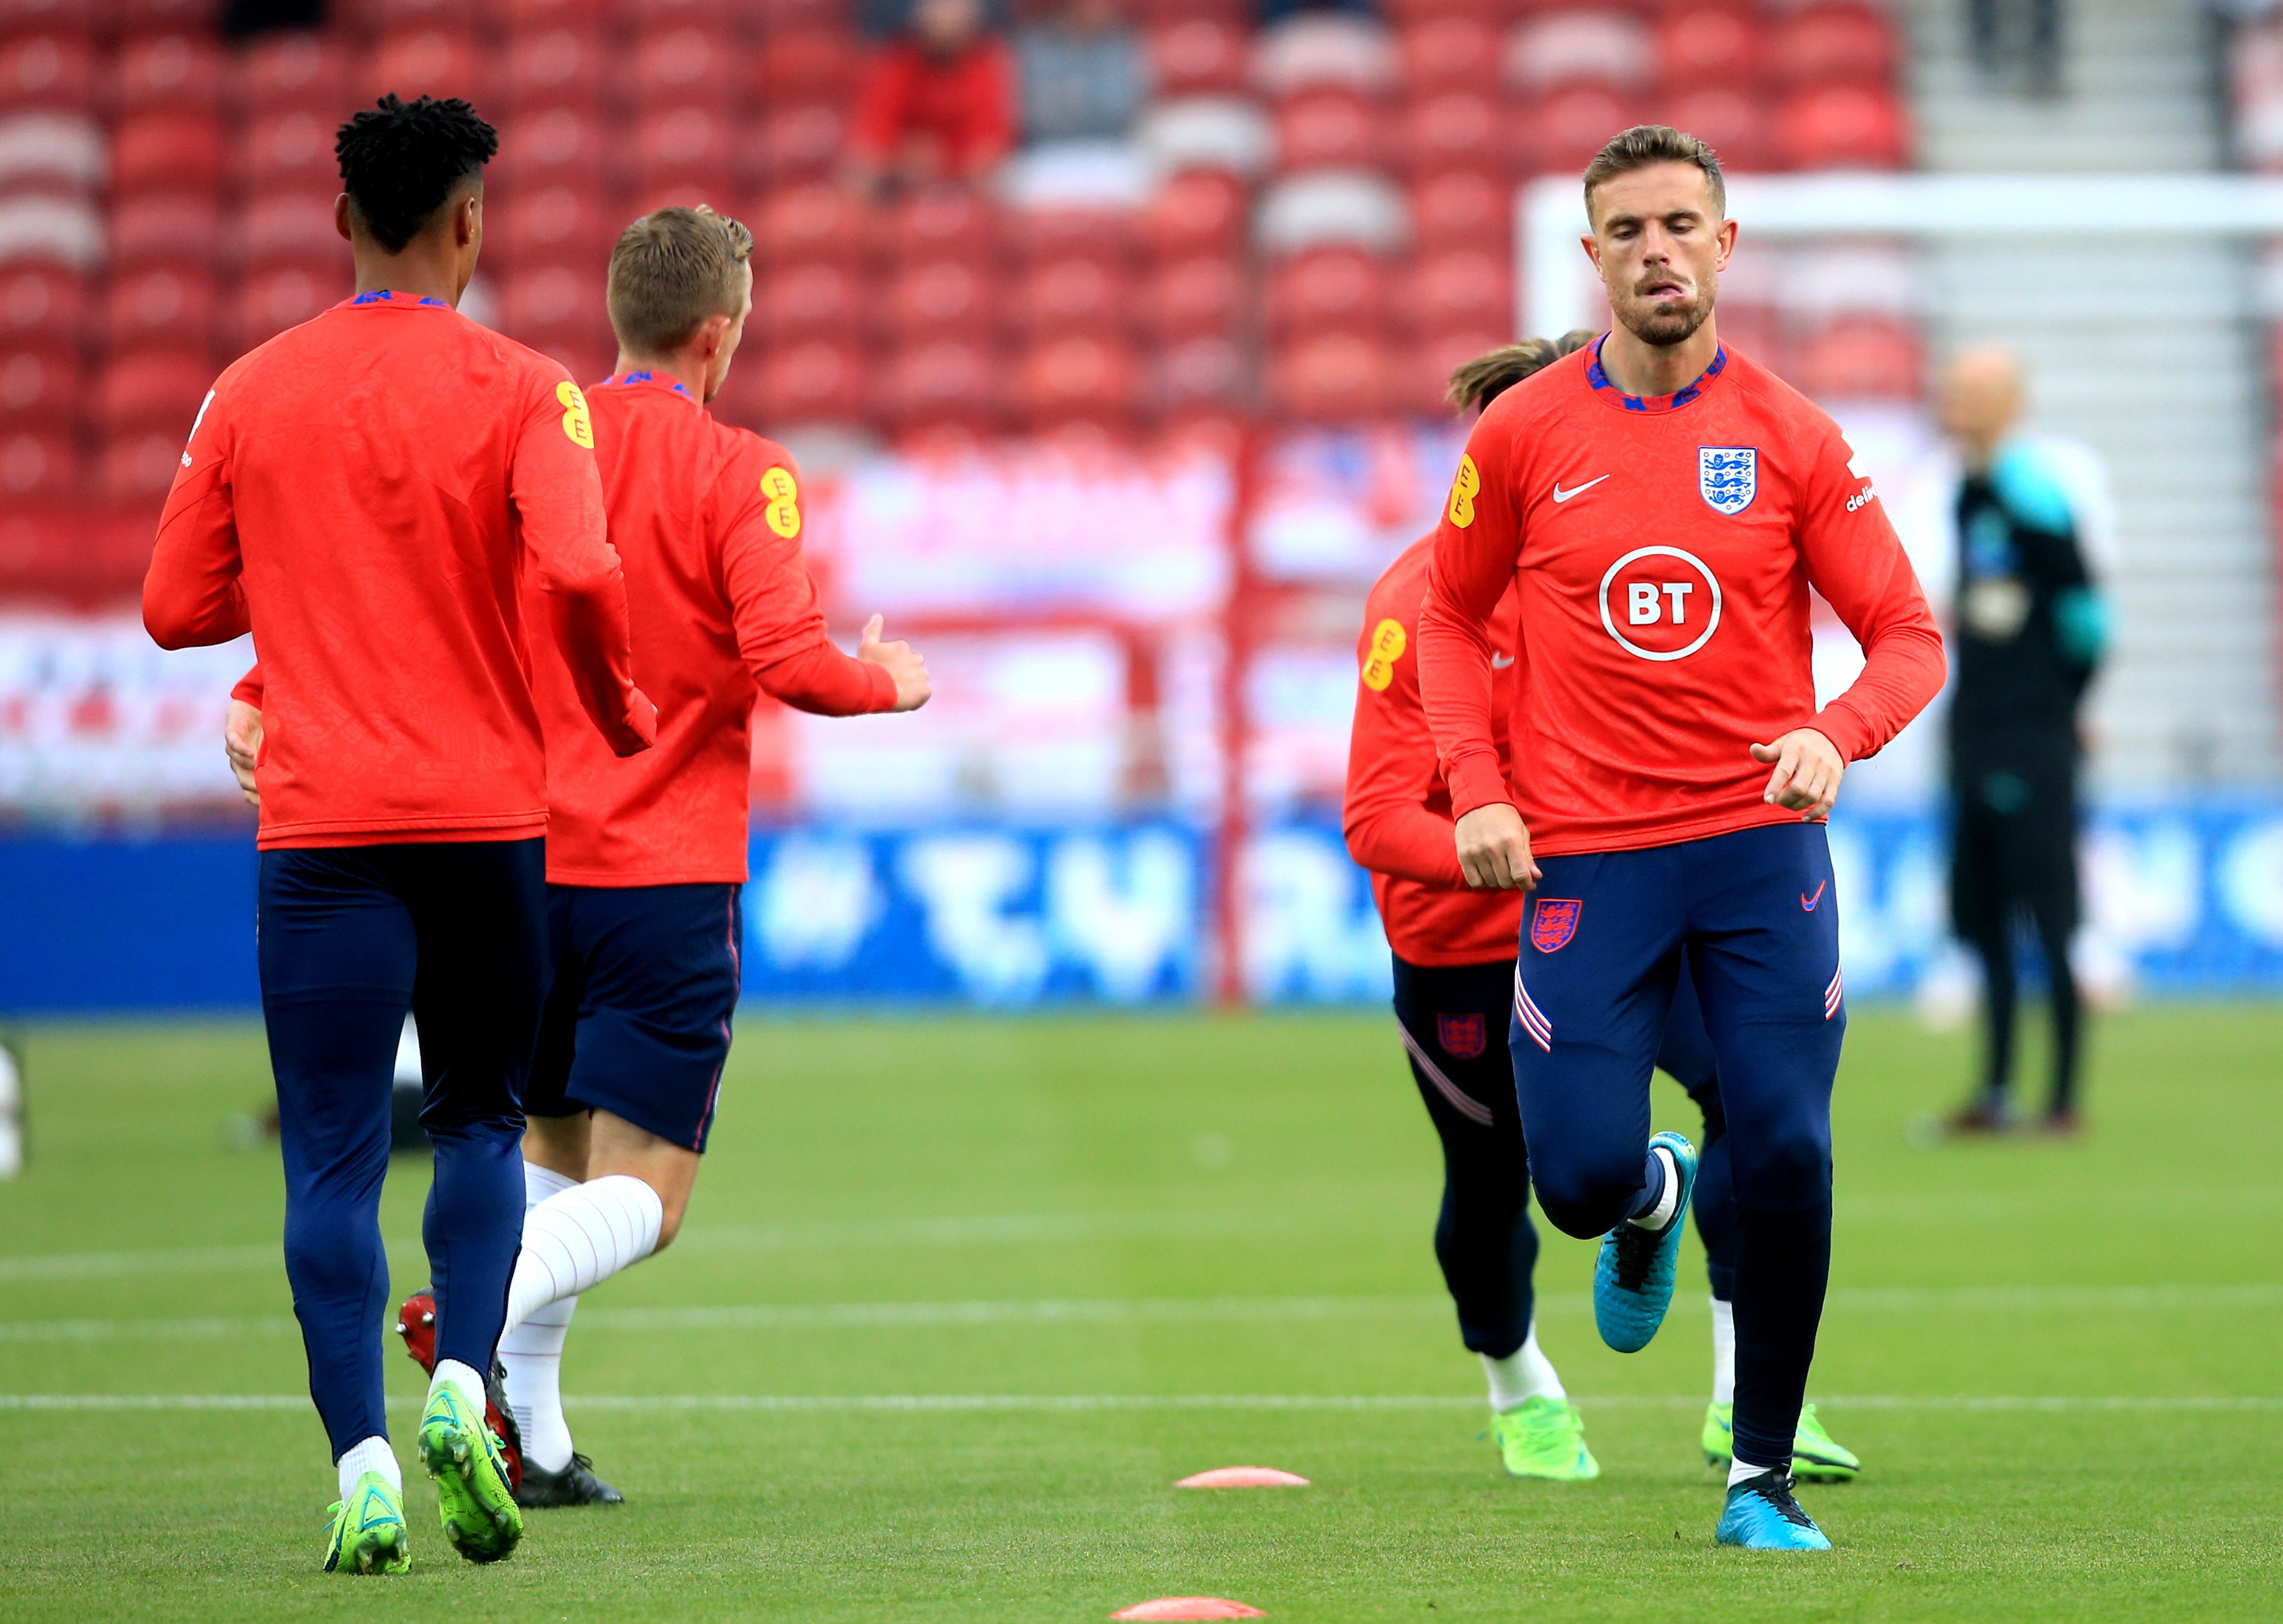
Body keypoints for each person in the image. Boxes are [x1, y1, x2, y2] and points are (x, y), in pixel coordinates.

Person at [229, 206, 934, 1506]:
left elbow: (415, 587)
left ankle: (536, 1443)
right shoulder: (739, 471)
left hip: (513, 863)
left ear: (619, 313)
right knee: (648, 1194)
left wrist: (268, 679)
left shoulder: (522, 431)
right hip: (660, 878)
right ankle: (469, 1317)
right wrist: (887, 682)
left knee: (541, 1149)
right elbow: (788, 660)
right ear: (718, 334)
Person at [146, 93, 656, 1575]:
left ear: (338, 222)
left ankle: (359, 1462)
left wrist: (310, 572)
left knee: (330, 1159)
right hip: (488, 826)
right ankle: (459, 1385)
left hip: (321, 837)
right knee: (488, 1124)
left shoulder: (247, 391)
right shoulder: (525, 388)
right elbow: (574, 562)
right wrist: (615, 708)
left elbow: (176, 608)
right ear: (469, 226)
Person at [1415, 125, 1943, 1550]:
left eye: (1680, 225)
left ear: (1725, 245)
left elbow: (1906, 636)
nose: (1656, 250)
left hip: (1758, 858)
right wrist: (1476, 785)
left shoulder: (1790, 437)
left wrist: (1838, 731)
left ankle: (1757, 1475)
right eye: (1629, 230)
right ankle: (1654, 1194)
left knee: (1785, 1147)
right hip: (1587, 860)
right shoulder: (1522, 434)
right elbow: (1448, 621)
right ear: (1591, 257)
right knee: (1576, 1181)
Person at [1347, 330, 1859, 1488]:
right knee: (1495, 1186)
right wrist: (1510, 853)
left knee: (1759, 1105)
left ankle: (1746, 1395)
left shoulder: (1636, 576)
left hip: (1623, 912)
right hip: (1471, 946)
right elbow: (1376, 818)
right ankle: (1520, 1386)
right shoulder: (1418, 606)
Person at [1935, 347, 2105, 1136]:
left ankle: (2063, 1099)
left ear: (2009, 402)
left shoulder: (2031, 493)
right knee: (1986, 918)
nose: (1953, 402)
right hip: (1975, 734)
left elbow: (2086, 616)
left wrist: (2061, 705)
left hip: (2028, 740)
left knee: (2049, 917)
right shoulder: (1968, 491)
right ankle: (1997, 1092)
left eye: (1972, 391)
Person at [845, 0, 1016, 195]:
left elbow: (988, 147)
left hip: (963, 182)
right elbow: (869, 141)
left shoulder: (986, 64)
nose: (945, 18)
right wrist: (899, 159)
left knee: (1002, 182)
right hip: (899, 183)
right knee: (857, 178)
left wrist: (946, 162)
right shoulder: (897, 63)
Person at [1014, 0, 1145, 146]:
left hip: (1111, 145)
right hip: (1048, 148)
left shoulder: (1120, 45)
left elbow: (1121, 107)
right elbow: (1037, 114)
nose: (1098, 10)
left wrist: (1074, 105)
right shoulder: (1036, 46)